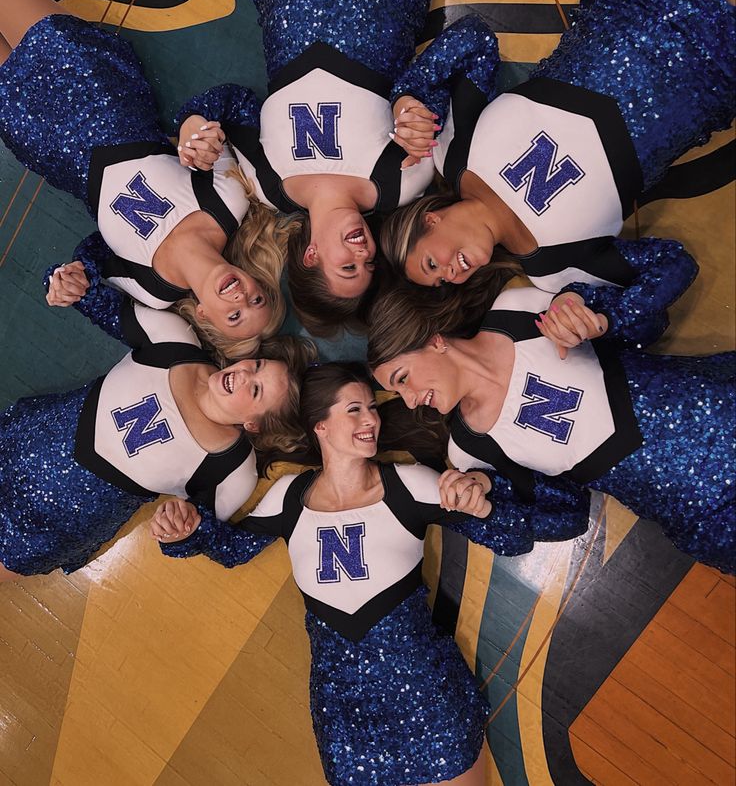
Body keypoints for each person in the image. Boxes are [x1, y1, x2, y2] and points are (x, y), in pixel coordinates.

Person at [151, 363, 589, 785]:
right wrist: (185, 532)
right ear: (320, 426)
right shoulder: (290, 497)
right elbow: (232, 550)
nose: (371, 420)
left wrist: (486, 494)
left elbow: (560, 520)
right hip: (343, 713)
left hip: (426, 697)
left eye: (372, 408)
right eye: (354, 409)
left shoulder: (409, 485)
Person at [379, 0, 735, 303]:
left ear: (431, 219)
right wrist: (603, 319)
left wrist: (411, 96)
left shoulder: (452, 150)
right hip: (716, 71)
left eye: (432, 265)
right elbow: (673, 265)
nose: (451, 274)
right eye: (443, 282)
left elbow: (474, 39)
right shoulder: (555, 272)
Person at [175, 0, 482, 335]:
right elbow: (445, 74)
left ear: (312, 256)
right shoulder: (399, 184)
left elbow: (234, 103)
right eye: (370, 264)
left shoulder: (269, 187)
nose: (363, 254)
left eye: (349, 268)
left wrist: (193, 127)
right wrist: (414, 104)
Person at [368, 240, 736, 574]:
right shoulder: (469, 451)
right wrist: (485, 509)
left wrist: (598, 317)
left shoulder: (517, 311)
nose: (412, 399)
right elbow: (568, 518)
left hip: (720, 404)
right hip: (705, 517)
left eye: (402, 379)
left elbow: (659, 301)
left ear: (433, 341)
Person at [0, 0, 290, 358]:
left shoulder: (151, 290)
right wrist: (194, 126)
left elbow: (91, 258)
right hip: (93, 88)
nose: (241, 299)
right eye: (256, 300)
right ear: (258, 282)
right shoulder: (228, 203)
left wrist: (66, 281)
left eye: (235, 317)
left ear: (205, 316)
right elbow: (231, 102)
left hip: (43, 141)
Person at [0, 277, 315, 580]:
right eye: (258, 366)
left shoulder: (233, 469)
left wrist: (184, 530)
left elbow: (209, 539)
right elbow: (95, 301)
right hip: (25, 438)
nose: (245, 375)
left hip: (61, 524)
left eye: (257, 390)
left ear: (254, 424)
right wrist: (68, 284)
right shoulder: (174, 341)